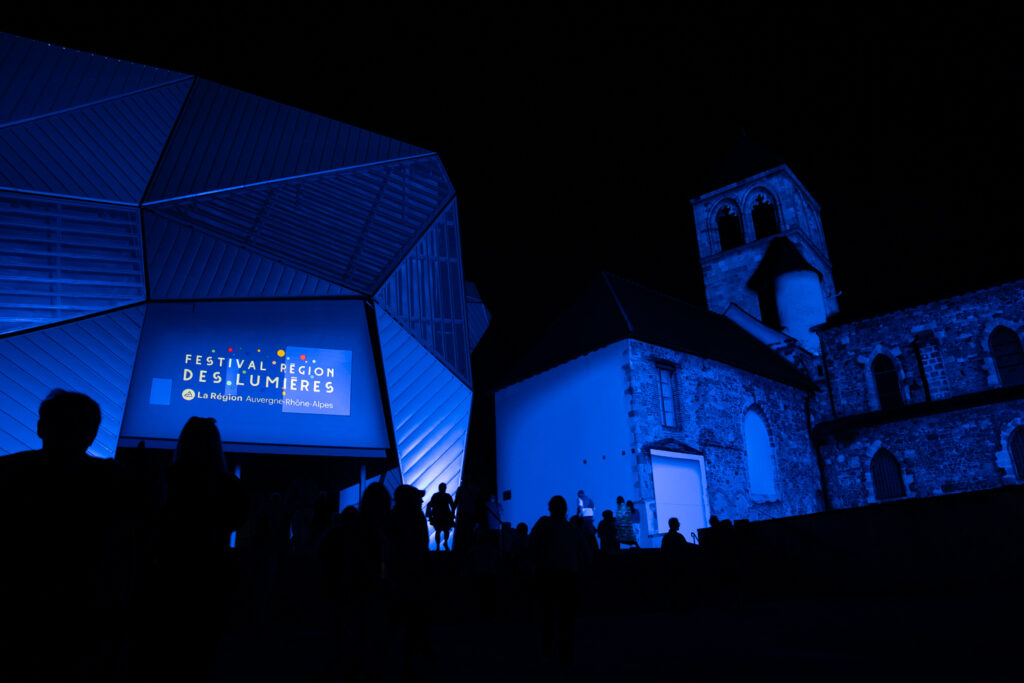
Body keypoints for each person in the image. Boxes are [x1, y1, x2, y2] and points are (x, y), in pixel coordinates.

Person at [0, 389, 133, 681]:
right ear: (92, 434)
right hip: (86, 619)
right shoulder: (115, 480)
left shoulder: (7, 472)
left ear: (41, 427)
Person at [529, 495, 593, 665]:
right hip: (568, 577)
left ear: (550, 508)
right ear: (565, 509)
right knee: (566, 618)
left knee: (547, 616)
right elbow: (586, 555)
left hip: (546, 576)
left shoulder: (543, 525)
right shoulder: (572, 529)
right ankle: (566, 655)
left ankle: (548, 653)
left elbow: (531, 546)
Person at [426, 482, 456, 550]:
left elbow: (430, 504)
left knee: (438, 531)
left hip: (437, 515)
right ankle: (445, 542)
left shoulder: (435, 496)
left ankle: (438, 546)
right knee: (446, 530)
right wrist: (452, 514)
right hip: (446, 516)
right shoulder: (447, 496)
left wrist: (430, 515)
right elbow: (452, 506)